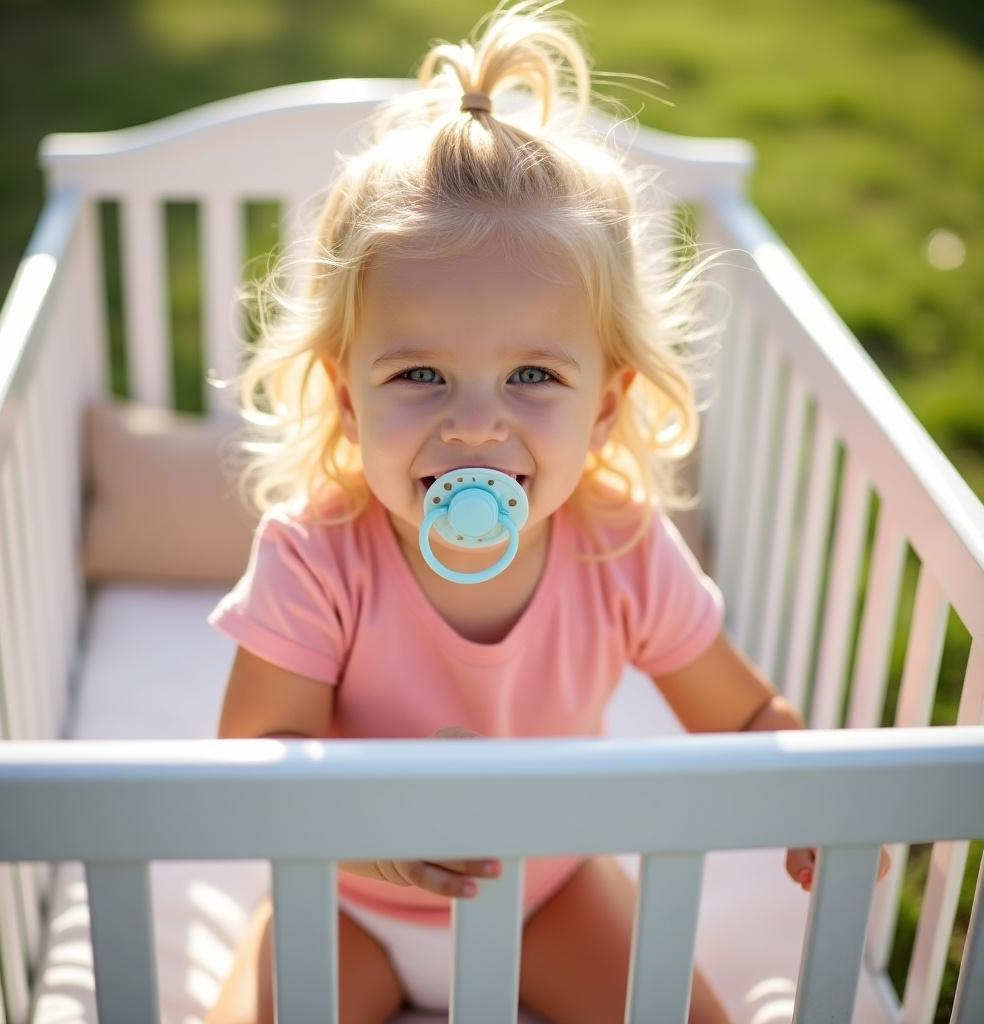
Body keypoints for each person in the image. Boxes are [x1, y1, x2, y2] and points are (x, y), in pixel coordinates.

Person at [204, 3, 890, 1022]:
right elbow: (250, 768)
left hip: (550, 893)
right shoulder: (317, 555)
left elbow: (741, 714)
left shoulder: (620, 548)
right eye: (420, 374)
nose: (474, 427)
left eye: (531, 374)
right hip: (347, 897)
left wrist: (814, 794)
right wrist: (373, 832)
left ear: (604, 404)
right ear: (348, 396)